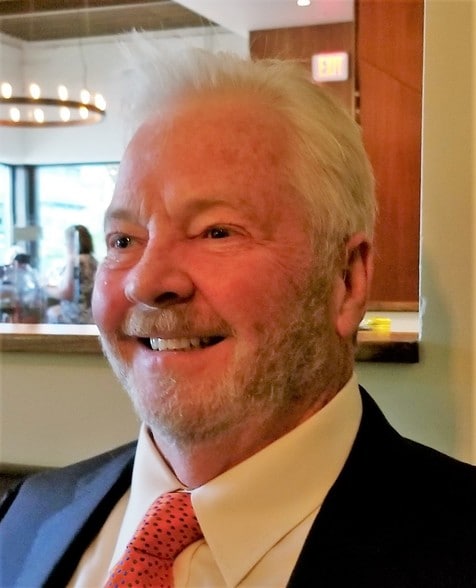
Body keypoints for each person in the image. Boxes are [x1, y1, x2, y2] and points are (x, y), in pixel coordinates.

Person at [1, 48, 475, 588]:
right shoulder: (26, 517)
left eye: (217, 232)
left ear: (346, 279)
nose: (145, 283)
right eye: (124, 240)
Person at [46, 224, 98, 324]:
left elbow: (67, 293)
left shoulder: (75, 261)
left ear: (72, 242)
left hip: (76, 318)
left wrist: (45, 289)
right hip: (91, 317)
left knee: (50, 312)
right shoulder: (93, 261)